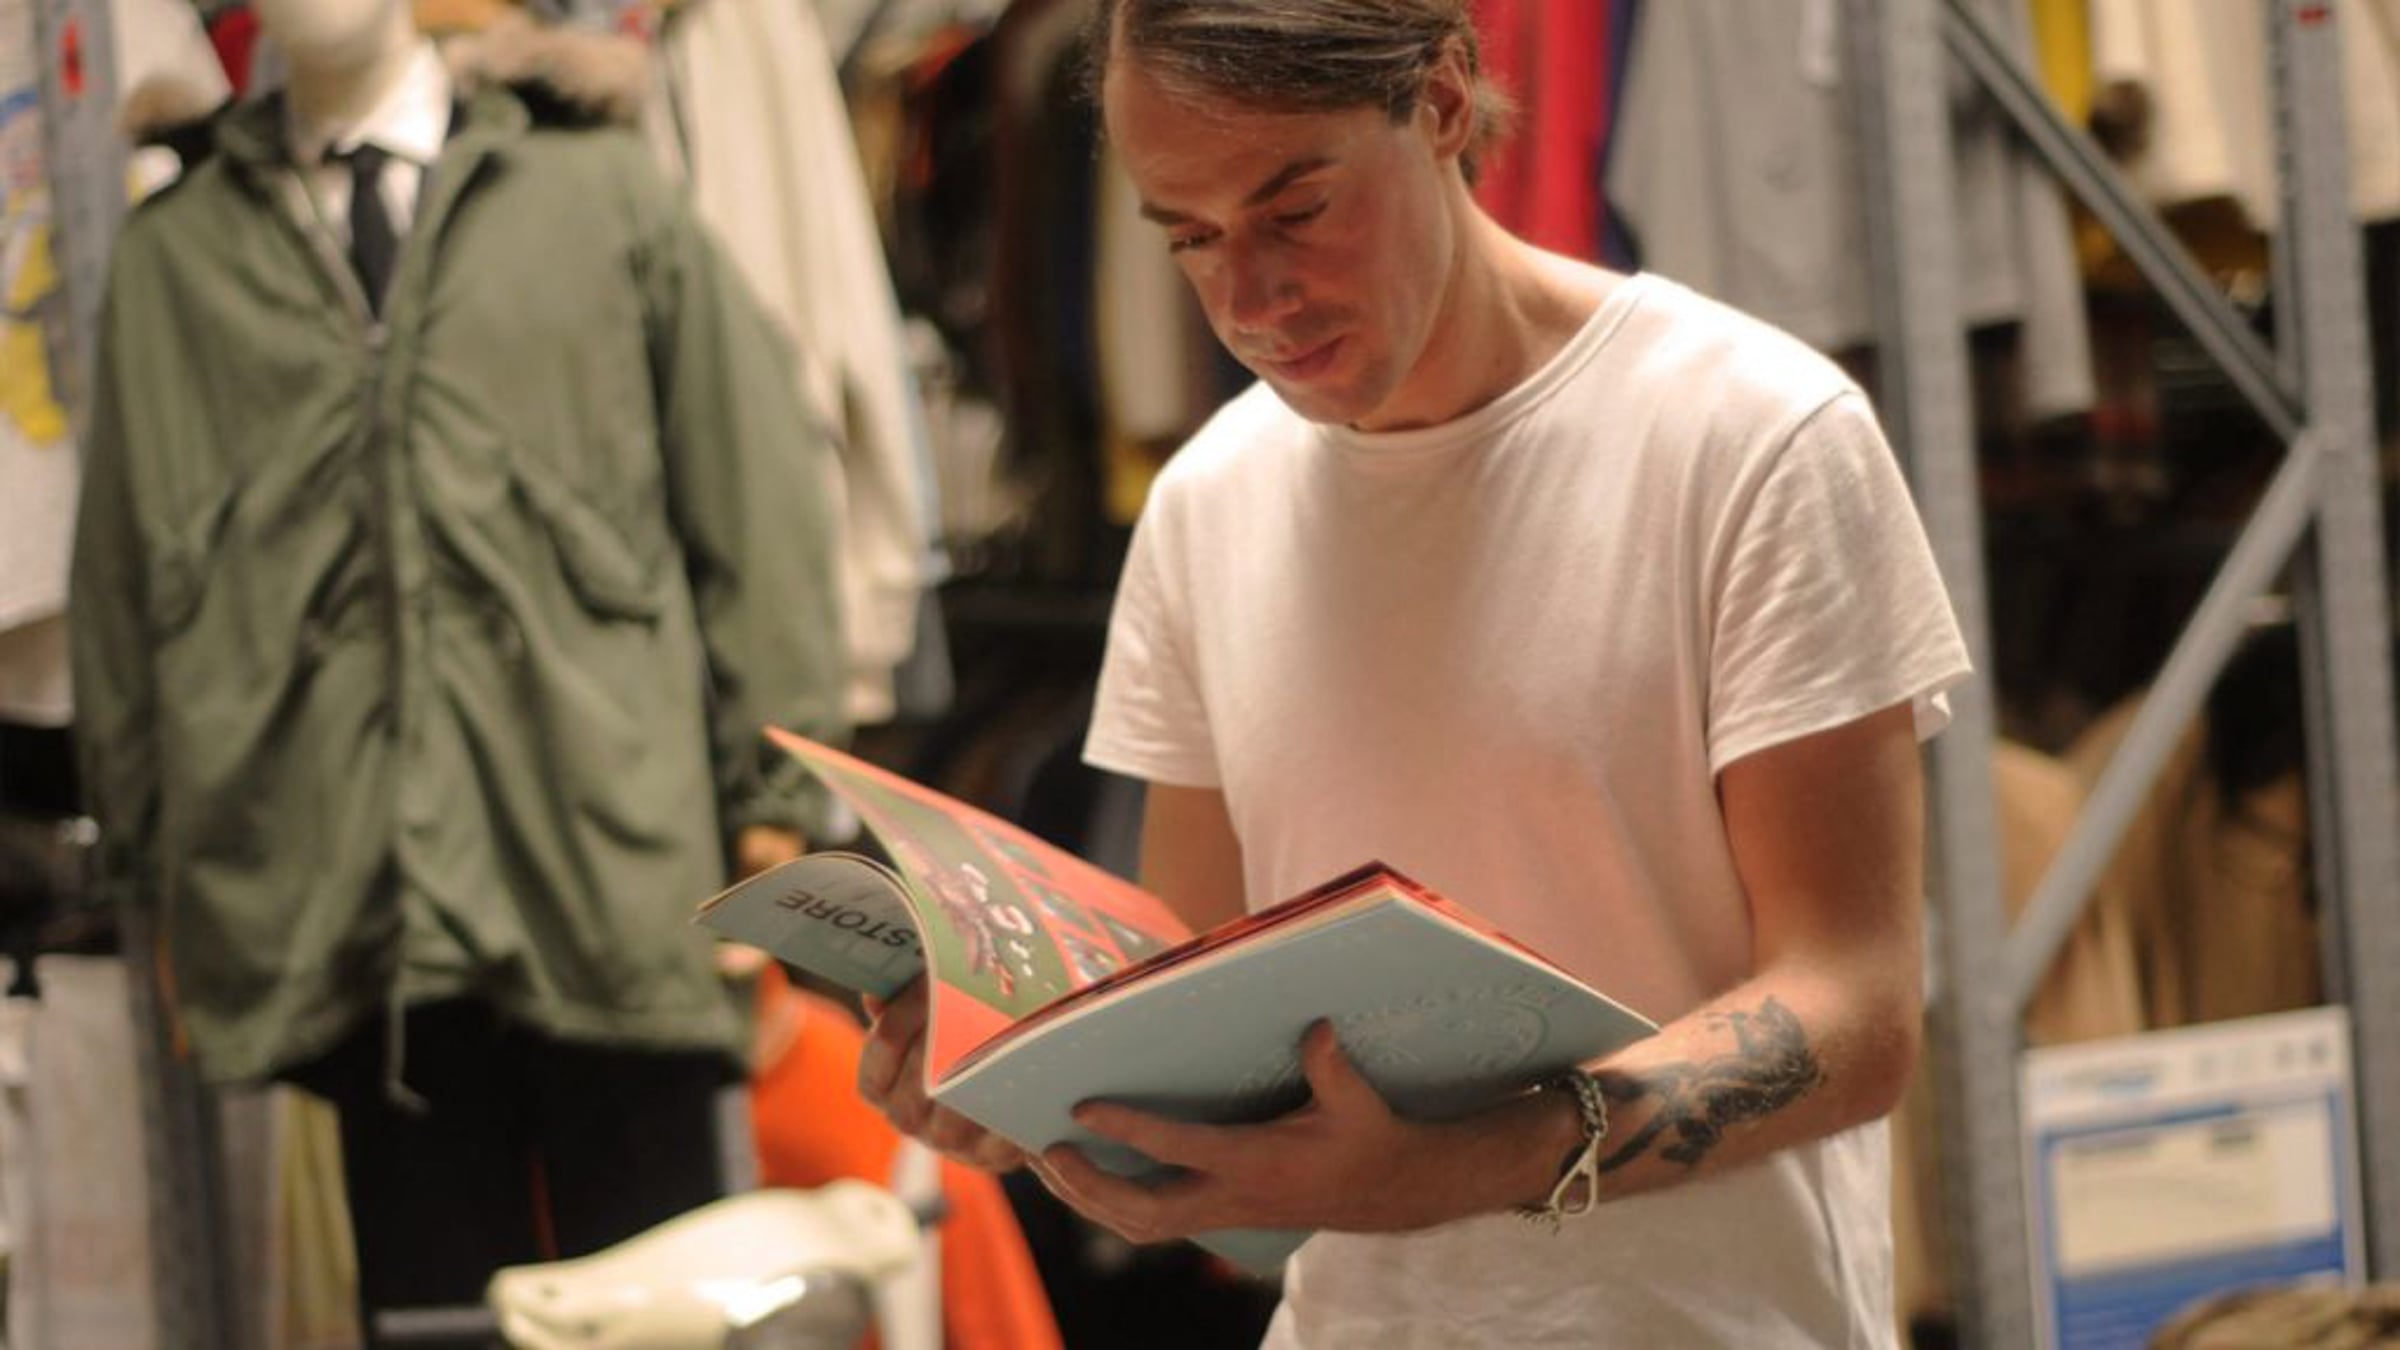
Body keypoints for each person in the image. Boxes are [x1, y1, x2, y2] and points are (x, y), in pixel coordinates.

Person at [858, 1, 1973, 1344]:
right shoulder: (1209, 506)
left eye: (1297, 211)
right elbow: (1192, 1029)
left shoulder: (1754, 437)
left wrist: (1468, 1164)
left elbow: (1858, 1008)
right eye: (1191, 238)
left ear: (1442, 99)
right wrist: (1027, 1087)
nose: (1249, 301)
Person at [69, 0, 846, 1334]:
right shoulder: (179, 253)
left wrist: (771, 790)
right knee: (432, 1302)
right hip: (358, 908)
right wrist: (156, 872)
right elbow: (124, 590)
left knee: (660, 1300)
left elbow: (750, 491)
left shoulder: (595, 189)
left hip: (607, 860)